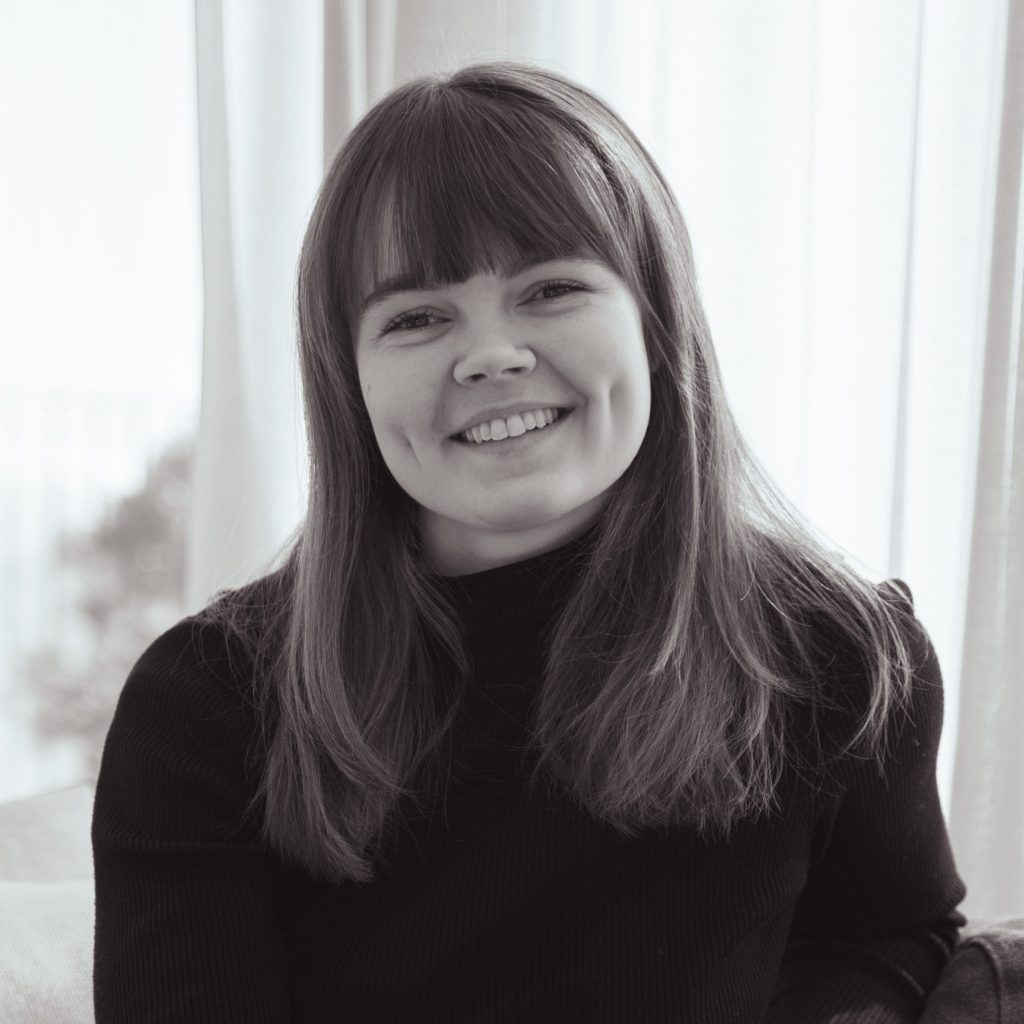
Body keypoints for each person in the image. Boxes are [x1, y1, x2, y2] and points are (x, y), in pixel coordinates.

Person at [92, 60, 967, 1023]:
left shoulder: (842, 657)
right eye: (416, 317)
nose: (492, 354)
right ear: (349, 382)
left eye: (550, 289)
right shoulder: (206, 709)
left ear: (657, 325)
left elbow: (887, 933)